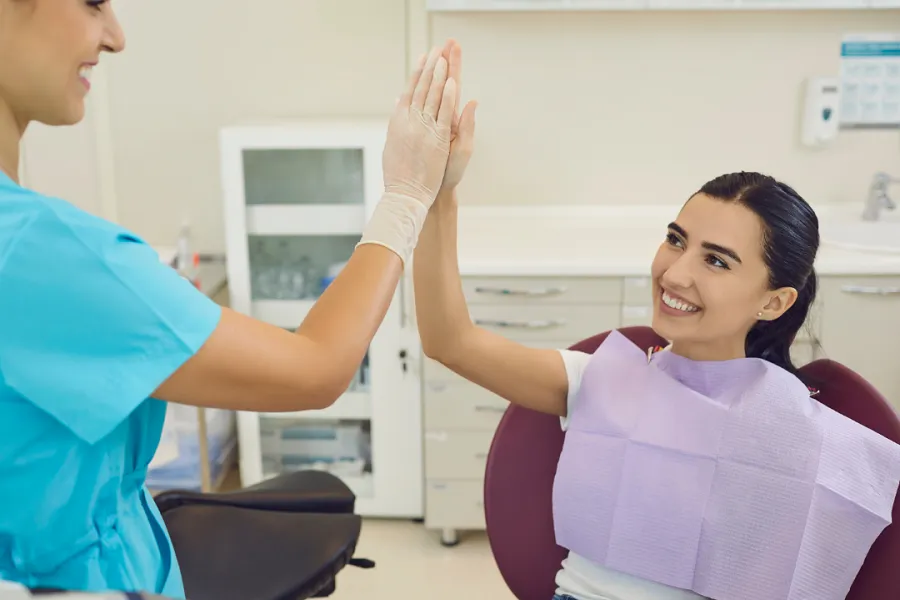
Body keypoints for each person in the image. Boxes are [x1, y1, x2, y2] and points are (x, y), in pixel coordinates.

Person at [0, 1, 470, 597]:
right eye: (93, 2)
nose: (115, 37)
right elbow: (318, 368)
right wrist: (407, 194)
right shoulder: (44, 254)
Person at [414, 134, 900, 595]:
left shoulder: (804, 436)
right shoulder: (600, 380)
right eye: (675, 239)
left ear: (774, 303)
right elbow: (450, 341)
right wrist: (440, 194)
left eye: (716, 261)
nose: (675, 272)